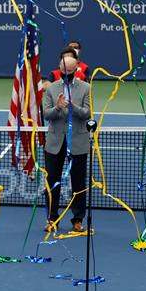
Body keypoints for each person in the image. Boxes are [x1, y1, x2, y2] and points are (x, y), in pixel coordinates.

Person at [41, 48, 92, 232]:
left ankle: (77, 220)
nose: (67, 75)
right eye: (64, 72)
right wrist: (57, 107)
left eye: (70, 72)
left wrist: (72, 106)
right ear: (59, 69)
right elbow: (46, 114)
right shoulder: (50, 89)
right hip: (55, 144)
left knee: (78, 183)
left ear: (76, 69)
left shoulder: (86, 88)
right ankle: (51, 219)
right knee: (52, 182)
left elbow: (88, 113)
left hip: (78, 143)